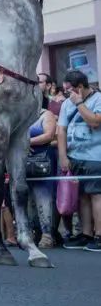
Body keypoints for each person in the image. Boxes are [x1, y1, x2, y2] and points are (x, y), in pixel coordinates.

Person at [57, 70, 101, 252]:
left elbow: (95, 122)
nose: (68, 94)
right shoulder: (66, 103)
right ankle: (86, 233)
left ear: (81, 87)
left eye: (70, 90)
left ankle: (99, 234)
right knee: (82, 196)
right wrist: (63, 156)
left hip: (95, 156)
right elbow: (61, 130)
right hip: (75, 156)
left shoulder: (98, 99)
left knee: (97, 195)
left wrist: (80, 103)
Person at [28, 101, 58, 248]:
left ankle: (47, 235)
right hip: (24, 162)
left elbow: (49, 135)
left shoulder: (46, 115)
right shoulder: (22, 116)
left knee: (43, 197)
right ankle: (34, 232)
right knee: (28, 200)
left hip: (42, 162)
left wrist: (27, 142)